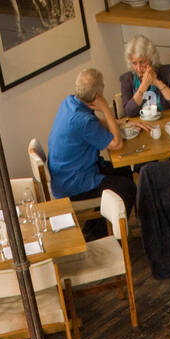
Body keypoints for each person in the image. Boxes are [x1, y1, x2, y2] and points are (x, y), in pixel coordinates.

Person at [47, 67, 136, 236]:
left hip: (65, 175)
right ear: (97, 95)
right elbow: (117, 144)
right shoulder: (83, 121)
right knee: (128, 188)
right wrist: (106, 109)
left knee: (123, 170)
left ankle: (105, 223)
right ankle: (103, 234)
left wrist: (120, 123)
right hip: (74, 185)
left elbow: (95, 124)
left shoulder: (70, 102)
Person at [119, 35, 170, 118]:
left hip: (166, 122)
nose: (138, 68)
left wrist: (156, 82)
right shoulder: (127, 79)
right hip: (142, 126)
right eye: (134, 63)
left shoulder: (167, 72)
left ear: (151, 59)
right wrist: (144, 85)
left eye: (142, 62)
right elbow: (129, 112)